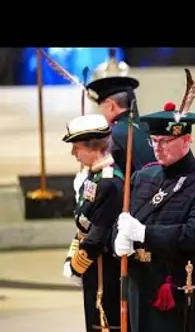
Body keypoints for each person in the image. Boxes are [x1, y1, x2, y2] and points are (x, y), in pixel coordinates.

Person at [112, 101, 195, 332]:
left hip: (181, 286)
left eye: (165, 141)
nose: (157, 147)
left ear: (186, 141)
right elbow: (124, 221)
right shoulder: (142, 176)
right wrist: (118, 240)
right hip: (141, 284)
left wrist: (143, 233)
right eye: (154, 141)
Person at [61, 114, 124, 332]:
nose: (74, 154)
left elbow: (97, 237)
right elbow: (83, 226)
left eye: (76, 147)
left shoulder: (109, 183)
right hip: (93, 267)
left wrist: (75, 265)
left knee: (103, 323)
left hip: (103, 269)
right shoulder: (93, 177)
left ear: (93, 147)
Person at [85, 76, 156, 174]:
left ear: (111, 106)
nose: (101, 113)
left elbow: (110, 181)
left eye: (101, 108)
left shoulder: (111, 136)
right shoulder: (153, 128)